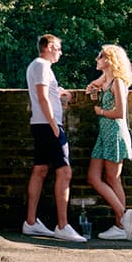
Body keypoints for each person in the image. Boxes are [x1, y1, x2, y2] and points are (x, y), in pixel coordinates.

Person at [23, 34, 86, 241]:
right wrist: (54, 125)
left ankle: (31, 223)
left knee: (40, 170)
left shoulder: (38, 66)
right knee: (65, 172)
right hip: (48, 126)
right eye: (58, 48)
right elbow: (41, 97)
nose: (60, 52)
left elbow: (46, 93)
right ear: (49, 47)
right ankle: (62, 225)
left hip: (39, 125)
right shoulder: (41, 65)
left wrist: (59, 95)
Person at [86, 44, 132, 240]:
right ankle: (124, 217)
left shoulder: (118, 82)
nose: (97, 59)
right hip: (104, 134)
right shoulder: (108, 79)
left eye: (100, 56)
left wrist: (100, 112)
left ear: (109, 59)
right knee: (93, 177)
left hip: (114, 132)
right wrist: (93, 86)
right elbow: (95, 84)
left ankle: (121, 224)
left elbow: (119, 113)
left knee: (113, 179)